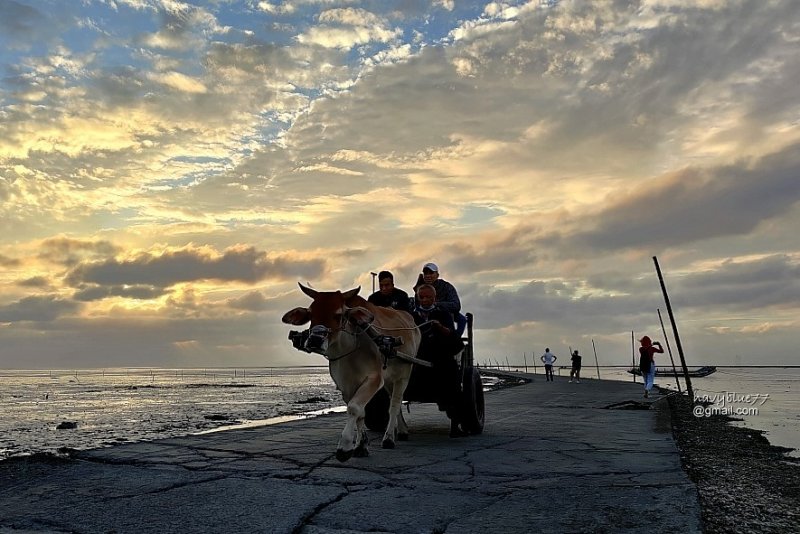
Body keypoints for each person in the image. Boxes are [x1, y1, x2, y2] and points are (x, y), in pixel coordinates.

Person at [412, 283, 466, 437]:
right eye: (421, 297)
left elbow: (452, 336)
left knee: (453, 380)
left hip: (441, 356)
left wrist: (441, 328)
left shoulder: (443, 313)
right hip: (419, 357)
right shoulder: (412, 315)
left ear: (434, 298)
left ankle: (455, 426)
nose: (425, 300)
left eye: (428, 297)